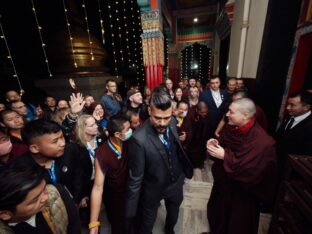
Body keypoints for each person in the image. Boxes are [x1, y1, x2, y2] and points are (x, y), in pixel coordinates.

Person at [125, 91, 193, 234]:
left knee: (174, 213)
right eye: (157, 118)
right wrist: (130, 212)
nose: (162, 123)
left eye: (166, 118)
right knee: (146, 224)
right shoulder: (138, 139)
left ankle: (169, 230)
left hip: (175, 183)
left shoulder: (173, 121)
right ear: (149, 111)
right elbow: (135, 178)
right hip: (153, 188)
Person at [206, 98, 277, 234]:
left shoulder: (263, 142)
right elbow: (226, 143)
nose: (227, 115)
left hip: (242, 195)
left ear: (245, 115)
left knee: (237, 224)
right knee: (218, 214)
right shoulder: (231, 126)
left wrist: (225, 156)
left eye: (231, 112)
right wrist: (216, 143)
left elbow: (252, 171)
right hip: (224, 185)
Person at [12, 119, 84, 204]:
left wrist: (77, 200)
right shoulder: (21, 169)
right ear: (35, 148)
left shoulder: (70, 151)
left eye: (62, 137)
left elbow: (79, 177)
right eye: (55, 141)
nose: (62, 143)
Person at [0, 163, 81, 234]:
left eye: (44, 189)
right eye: (35, 200)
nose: (46, 197)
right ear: (5, 214)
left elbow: (74, 225)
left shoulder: (57, 192)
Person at [89, 115, 131, 234]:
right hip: (115, 197)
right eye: (127, 129)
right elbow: (97, 188)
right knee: (118, 226)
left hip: (132, 192)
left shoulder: (130, 142)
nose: (131, 131)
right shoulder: (102, 153)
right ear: (117, 134)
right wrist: (93, 223)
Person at [275, 91, 312, 174]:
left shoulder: (310, 127)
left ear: (306, 107)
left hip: (292, 171)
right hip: (278, 164)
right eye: (288, 104)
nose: (288, 108)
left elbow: (305, 156)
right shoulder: (291, 115)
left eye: (292, 105)